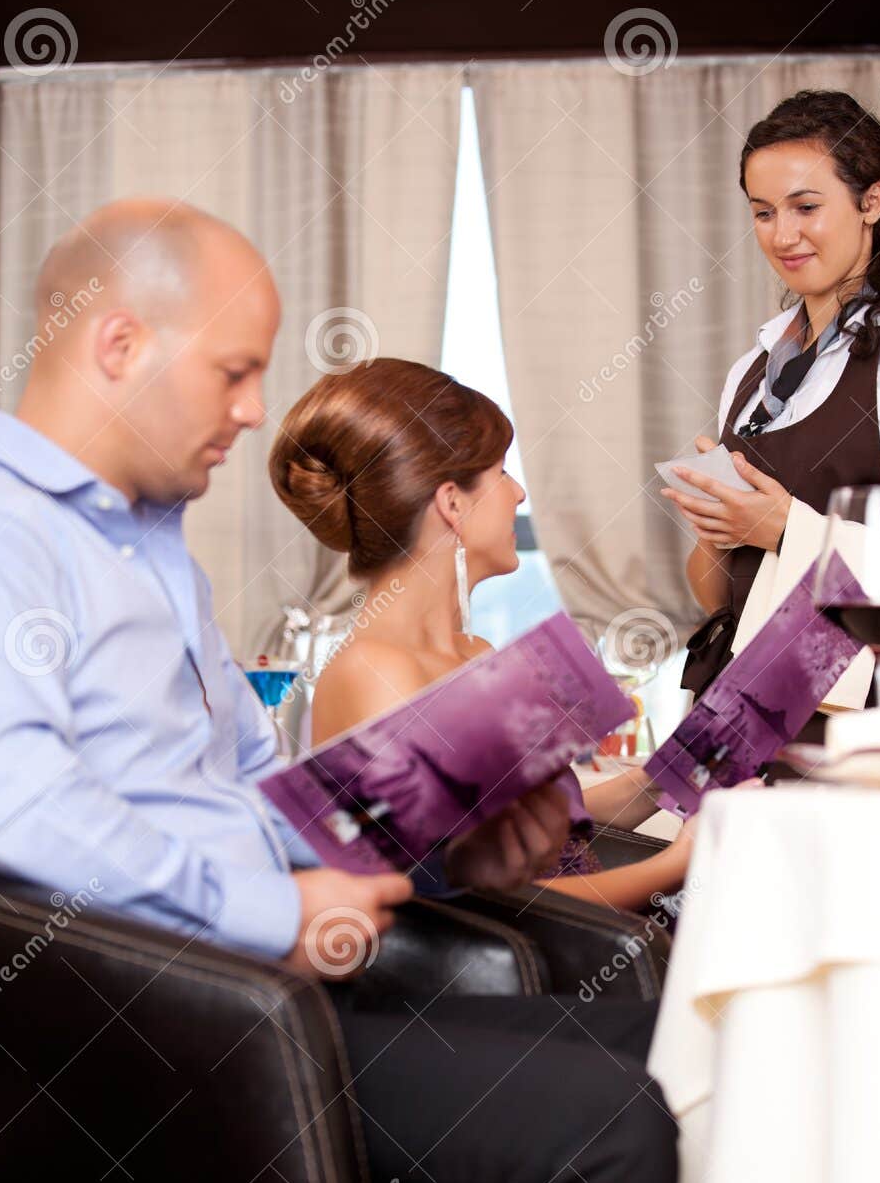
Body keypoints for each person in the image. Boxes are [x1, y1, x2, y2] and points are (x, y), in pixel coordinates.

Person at [0, 200, 677, 1183]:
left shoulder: (149, 544)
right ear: (115, 342)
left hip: (270, 995)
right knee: (597, 1125)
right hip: (159, 1041)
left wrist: (438, 818)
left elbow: (255, 795)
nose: (253, 411)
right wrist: (261, 911)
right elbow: (5, 811)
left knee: (672, 1036)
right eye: (233, 369)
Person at [268, 356, 693, 912]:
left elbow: (539, 833)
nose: (518, 494)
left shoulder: (477, 654)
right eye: (501, 474)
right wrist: (676, 864)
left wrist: (667, 777)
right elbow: (485, 910)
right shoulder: (377, 675)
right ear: (451, 503)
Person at [663, 89, 880, 736]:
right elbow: (717, 597)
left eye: (805, 207)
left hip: (867, 711)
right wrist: (717, 520)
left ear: (870, 201)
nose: (782, 234)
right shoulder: (752, 368)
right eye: (762, 212)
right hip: (741, 712)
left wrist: (788, 529)